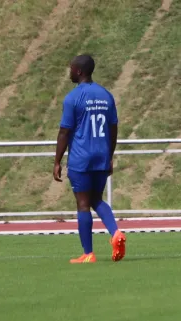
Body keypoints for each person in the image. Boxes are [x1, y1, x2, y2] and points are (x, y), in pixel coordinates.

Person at [53, 54, 126, 263]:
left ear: (78, 71)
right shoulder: (106, 95)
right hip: (101, 155)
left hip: (81, 158)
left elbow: (64, 132)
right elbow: (113, 129)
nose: (69, 72)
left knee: (83, 203)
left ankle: (88, 253)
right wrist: (110, 156)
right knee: (97, 199)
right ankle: (115, 233)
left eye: (71, 68)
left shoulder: (73, 98)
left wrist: (57, 161)